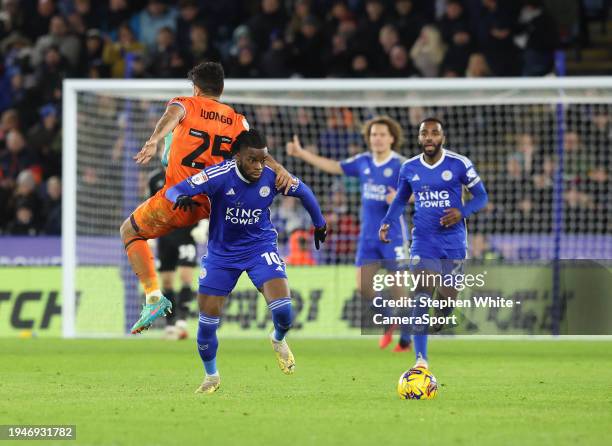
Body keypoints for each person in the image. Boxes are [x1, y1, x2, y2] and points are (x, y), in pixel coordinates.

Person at [120, 62, 293, 334]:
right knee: (251, 249)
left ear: (196, 88)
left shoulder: (185, 104)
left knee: (129, 231)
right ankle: (274, 296)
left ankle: (153, 297)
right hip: (218, 203)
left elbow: (171, 116)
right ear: (221, 89)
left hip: (180, 198)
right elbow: (256, 152)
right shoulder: (237, 120)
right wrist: (279, 168)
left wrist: (154, 139)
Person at [165, 129, 327, 394]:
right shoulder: (219, 175)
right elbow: (177, 189)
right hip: (221, 256)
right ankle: (211, 376)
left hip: (259, 249)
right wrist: (179, 198)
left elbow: (305, 193)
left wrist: (319, 224)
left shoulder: (272, 176)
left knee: (284, 312)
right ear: (237, 156)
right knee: (207, 325)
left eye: (263, 159)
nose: (259, 166)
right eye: (253, 160)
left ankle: (277, 339)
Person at [286, 116, 412, 352]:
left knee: (399, 290)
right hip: (368, 236)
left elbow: (418, 194)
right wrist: (302, 154)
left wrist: (401, 198)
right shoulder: (363, 161)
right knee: (364, 287)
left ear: (392, 138)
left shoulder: (401, 166)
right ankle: (390, 319)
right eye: (374, 134)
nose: (378, 138)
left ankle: (405, 339)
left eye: (382, 134)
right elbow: (335, 166)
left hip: (393, 235)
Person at [379, 118, 488, 370]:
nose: (429, 137)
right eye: (424, 133)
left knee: (445, 303)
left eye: (434, 133)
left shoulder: (459, 164)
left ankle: (444, 314)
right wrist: (387, 222)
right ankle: (421, 360)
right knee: (421, 296)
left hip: (453, 242)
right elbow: (400, 199)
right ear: (419, 139)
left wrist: (462, 211)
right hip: (423, 241)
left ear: (442, 137)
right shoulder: (409, 168)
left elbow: (482, 196)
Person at [147, 166, 202, 340]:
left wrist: (203, 224)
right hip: (165, 234)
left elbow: (203, 202)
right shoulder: (155, 178)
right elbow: (151, 206)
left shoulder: (190, 174)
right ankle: (170, 325)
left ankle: (182, 322)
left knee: (186, 277)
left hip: (186, 232)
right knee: (167, 282)